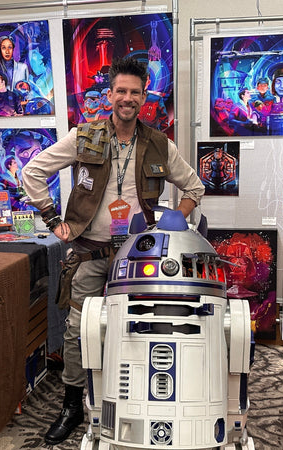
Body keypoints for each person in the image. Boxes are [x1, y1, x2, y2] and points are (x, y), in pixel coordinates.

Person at [22, 57, 205, 446]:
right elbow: (32, 172)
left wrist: (176, 218)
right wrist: (54, 219)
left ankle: (138, 397)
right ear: (109, 95)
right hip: (88, 253)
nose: (127, 98)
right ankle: (72, 404)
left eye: (134, 92)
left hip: (138, 258)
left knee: (140, 326)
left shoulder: (159, 144)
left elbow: (194, 188)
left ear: (144, 96)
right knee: (76, 331)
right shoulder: (84, 136)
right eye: (120, 91)